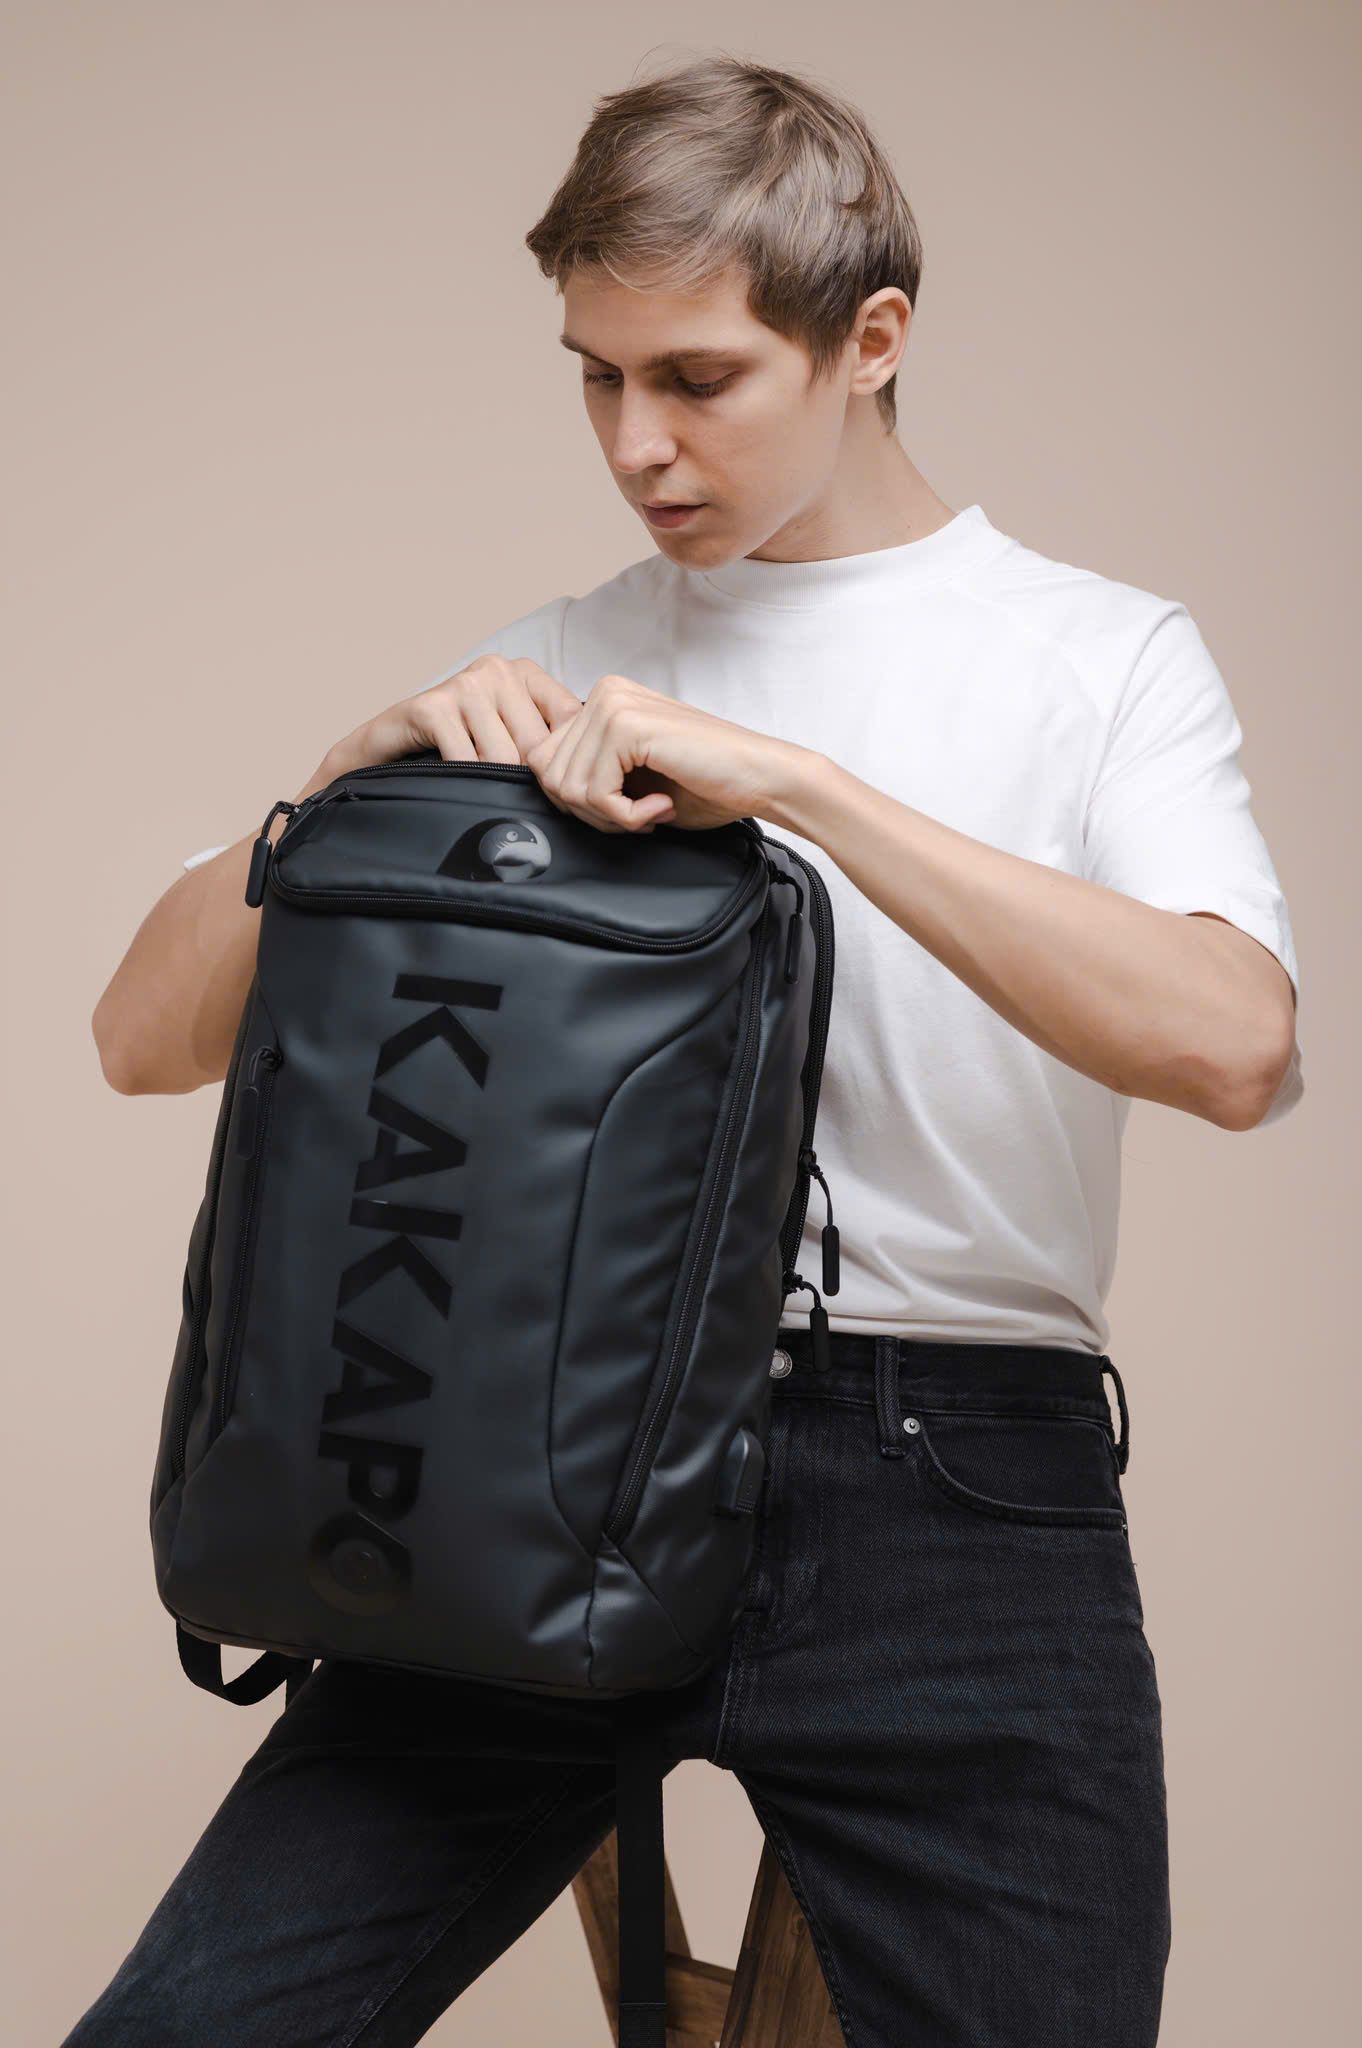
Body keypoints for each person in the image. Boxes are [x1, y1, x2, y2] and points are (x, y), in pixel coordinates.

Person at [77, 52, 1302, 2048]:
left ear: (871, 342)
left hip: (956, 1488)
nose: (637, 443)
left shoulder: (1100, 660)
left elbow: (1234, 1045)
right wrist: (345, 775)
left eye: (699, 379)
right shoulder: (548, 665)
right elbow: (139, 1040)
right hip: (538, 1445)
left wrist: (798, 787)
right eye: (596, 378)